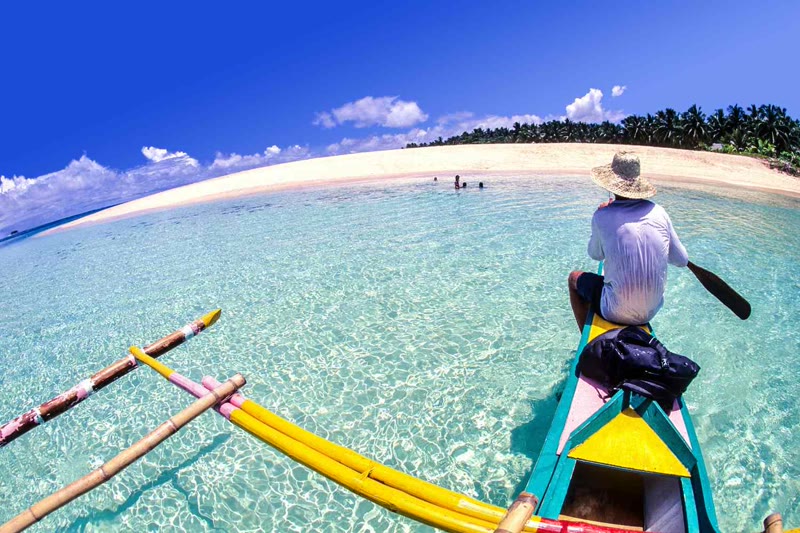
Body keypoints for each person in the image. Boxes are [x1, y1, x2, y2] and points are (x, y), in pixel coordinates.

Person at [568, 152, 688, 331]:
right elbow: (682, 260)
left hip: (614, 311)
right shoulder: (660, 212)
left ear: (612, 185)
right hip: (651, 310)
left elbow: (595, 254)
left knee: (574, 278)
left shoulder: (602, 215)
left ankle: (587, 342)